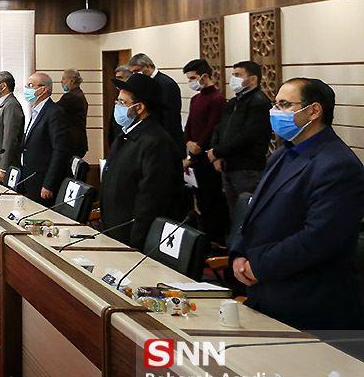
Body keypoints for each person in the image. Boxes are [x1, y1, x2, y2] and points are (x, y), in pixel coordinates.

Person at [229, 78, 364, 331]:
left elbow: (318, 239)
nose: (275, 112)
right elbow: (255, 210)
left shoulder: (338, 165)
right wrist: (239, 253)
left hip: (309, 302)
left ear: (314, 111)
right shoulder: (283, 153)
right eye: (275, 105)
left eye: (284, 105)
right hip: (266, 290)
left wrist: (259, 266)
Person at [100, 72, 185, 250]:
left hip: (133, 238)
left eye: (122, 103)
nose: (117, 106)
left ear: (139, 108)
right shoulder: (125, 135)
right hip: (114, 229)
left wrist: (136, 242)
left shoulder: (157, 143)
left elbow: (151, 200)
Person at [208, 60, 273, 216]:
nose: (233, 79)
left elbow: (247, 136)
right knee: (234, 212)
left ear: (253, 79)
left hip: (247, 168)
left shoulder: (259, 102)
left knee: (247, 213)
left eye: (238, 75)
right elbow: (220, 127)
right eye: (233, 75)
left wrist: (217, 152)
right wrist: (215, 150)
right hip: (228, 165)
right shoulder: (234, 101)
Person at [181, 59, 228, 243]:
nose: (190, 82)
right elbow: (189, 125)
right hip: (195, 157)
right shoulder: (195, 99)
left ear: (204, 76)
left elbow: (213, 127)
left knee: (211, 202)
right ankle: (204, 239)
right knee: (199, 201)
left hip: (208, 157)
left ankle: (215, 241)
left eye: (193, 78)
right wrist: (188, 142)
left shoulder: (217, 99)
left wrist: (198, 145)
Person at [17, 72, 70, 201]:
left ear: (44, 89)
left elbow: (60, 151)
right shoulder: (36, 110)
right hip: (29, 176)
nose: (27, 89)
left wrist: (49, 184)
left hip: (42, 179)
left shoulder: (54, 112)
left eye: (31, 86)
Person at [129, 53, 183, 149]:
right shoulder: (144, 83)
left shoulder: (166, 84)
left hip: (167, 138)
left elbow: (170, 116)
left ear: (148, 66)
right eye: (132, 72)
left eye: (137, 70)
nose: (135, 74)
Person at [57, 68, 89, 159]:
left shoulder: (71, 97)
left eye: (64, 79)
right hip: (78, 141)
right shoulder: (79, 94)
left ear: (72, 81)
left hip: (71, 143)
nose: (61, 81)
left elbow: (54, 110)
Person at [105, 64, 133, 148]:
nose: (117, 81)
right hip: (117, 139)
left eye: (120, 78)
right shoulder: (119, 94)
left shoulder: (133, 96)